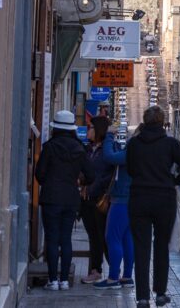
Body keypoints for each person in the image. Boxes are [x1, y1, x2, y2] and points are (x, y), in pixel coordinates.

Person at [126, 106, 180, 307]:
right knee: (161, 245)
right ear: (163, 122)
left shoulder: (134, 144)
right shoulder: (171, 144)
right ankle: (161, 292)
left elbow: (130, 170)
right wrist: (173, 180)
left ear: (145, 122)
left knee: (141, 247)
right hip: (164, 199)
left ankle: (143, 297)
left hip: (139, 198)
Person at [35, 110, 95, 291]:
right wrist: (78, 180)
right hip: (71, 198)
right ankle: (65, 281)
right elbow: (91, 175)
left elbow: (40, 174)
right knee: (66, 239)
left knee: (52, 239)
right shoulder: (80, 149)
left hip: (51, 197)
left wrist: (50, 183)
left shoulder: (49, 147)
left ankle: (52, 280)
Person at [94, 124, 134, 289]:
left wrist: (109, 136)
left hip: (121, 199)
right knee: (127, 239)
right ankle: (127, 276)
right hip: (133, 200)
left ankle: (113, 278)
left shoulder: (131, 153)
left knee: (112, 237)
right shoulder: (139, 153)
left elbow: (109, 156)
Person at [80, 116, 112, 283]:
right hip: (86, 199)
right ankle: (96, 270)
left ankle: (114, 271)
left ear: (98, 130)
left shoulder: (107, 150)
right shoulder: (87, 149)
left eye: (91, 127)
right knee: (93, 235)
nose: (88, 130)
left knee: (104, 236)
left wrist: (94, 187)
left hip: (100, 199)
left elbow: (108, 175)